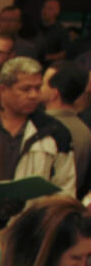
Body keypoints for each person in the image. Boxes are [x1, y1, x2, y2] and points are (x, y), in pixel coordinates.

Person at [0, 56, 76, 196]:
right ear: (3, 89)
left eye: (38, 88)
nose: (33, 95)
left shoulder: (55, 132)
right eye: (25, 89)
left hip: (31, 215)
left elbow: (65, 190)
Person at [43, 62, 91, 197]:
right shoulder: (84, 130)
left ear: (54, 93)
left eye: (42, 84)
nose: (36, 92)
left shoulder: (48, 128)